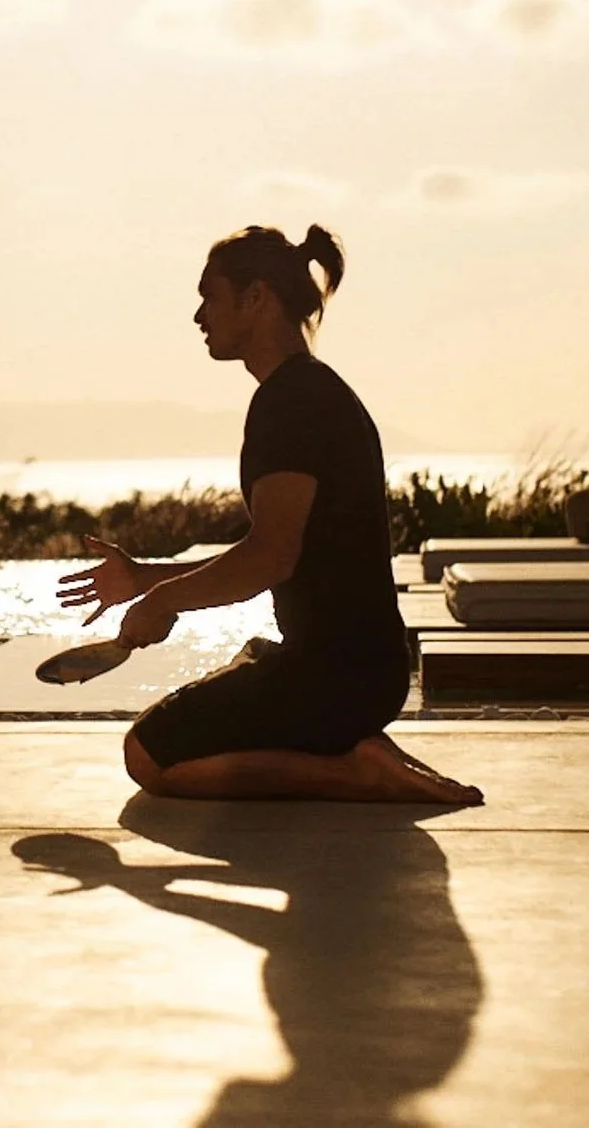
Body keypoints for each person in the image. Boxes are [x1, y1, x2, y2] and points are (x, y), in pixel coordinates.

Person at [58, 225, 482, 805]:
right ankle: (351, 745)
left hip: (338, 677)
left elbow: (270, 557)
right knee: (245, 665)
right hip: (362, 672)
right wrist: (142, 578)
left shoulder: (291, 403)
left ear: (256, 298)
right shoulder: (308, 392)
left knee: (149, 757)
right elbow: (280, 551)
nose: (198, 315)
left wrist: (161, 602)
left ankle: (357, 770)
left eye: (209, 295)